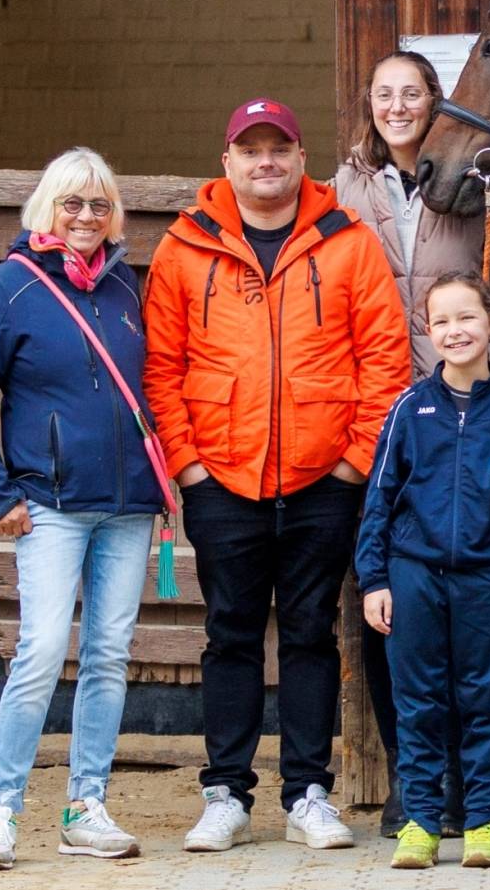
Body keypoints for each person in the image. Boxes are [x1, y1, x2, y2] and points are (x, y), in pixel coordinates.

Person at [142, 98, 411, 854]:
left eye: (279, 148)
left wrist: (355, 463)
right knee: (229, 634)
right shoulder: (184, 246)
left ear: (300, 159)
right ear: (226, 161)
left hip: (324, 479)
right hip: (221, 478)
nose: (266, 161)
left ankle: (307, 794)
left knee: (310, 634)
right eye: (251, 149)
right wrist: (189, 466)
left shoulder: (347, 242)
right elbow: (161, 368)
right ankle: (225, 794)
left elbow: (384, 361)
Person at [0, 148, 166, 871]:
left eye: (100, 204)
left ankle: (85, 808)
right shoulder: (7, 287)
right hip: (49, 504)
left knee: (108, 655)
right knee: (41, 651)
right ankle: (1, 810)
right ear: (47, 207)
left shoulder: (126, 286)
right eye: (73, 202)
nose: (86, 216)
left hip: (128, 505)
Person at [334, 50, 483, 838]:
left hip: (456, 411)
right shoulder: (344, 187)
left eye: (412, 93)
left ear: (435, 100)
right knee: (386, 601)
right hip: (373, 416)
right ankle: (409, 773)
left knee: (460, 602)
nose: (397, 106)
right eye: (384, 94)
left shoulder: (473, 182)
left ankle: (459, 775)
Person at [358, 271, 490, 870]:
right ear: (427, 330)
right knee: (417, 702)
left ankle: (484, 823)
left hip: (488, 580)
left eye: (466, 317)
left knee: (484, 701)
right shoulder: (409, 409)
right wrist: (375, 579)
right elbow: (379, 499)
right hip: (412, 575)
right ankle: (420, 822)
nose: (454, 331)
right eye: (440, 321)